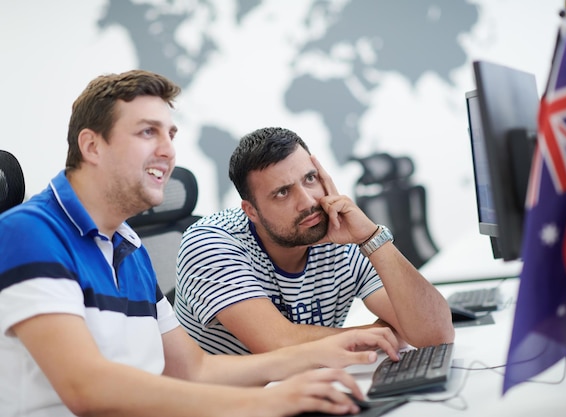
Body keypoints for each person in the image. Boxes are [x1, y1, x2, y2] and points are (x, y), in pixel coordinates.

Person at [0, 70, 402, 417]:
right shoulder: (29, 232)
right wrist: (265, 403)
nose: (168, 151)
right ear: (92, 146)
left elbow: (193, 369)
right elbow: (86, 387)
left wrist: (326, 350)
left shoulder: (126, 245)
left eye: (170, 134)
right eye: (147, 132)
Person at [175, 126, 455, 355]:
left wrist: (371, 238)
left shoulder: (340, 234)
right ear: (251, 211)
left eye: (310, 179)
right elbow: (277, 343)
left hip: (307, 388)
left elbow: (435, 333)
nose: (308, 202)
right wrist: (375, 333)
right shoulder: (211, 242)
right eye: (283, 193)